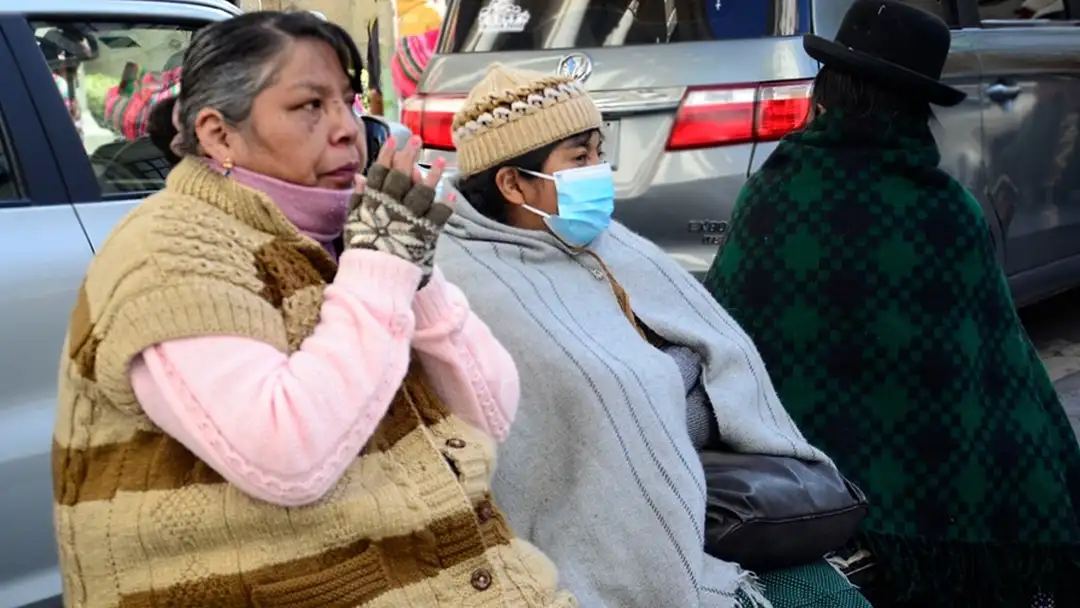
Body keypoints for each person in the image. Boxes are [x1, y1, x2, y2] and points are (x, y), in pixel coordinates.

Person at [52, 11, 575, 607]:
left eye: (348, 103)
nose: (347, 129)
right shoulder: (169, 251)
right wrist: (382, 263)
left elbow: (488, 414)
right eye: (309, 106)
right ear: (219, 134)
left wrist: (415, 271)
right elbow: (288, 458)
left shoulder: (343, 228)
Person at [434, 62, 870, 607]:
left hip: (712, 503)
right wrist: (679, 378)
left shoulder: (608, 242)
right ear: (512, 182)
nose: (599, 168)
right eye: (578, 157)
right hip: (617, 551)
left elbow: (714, 353)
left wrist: (663, 386)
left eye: (599, 150)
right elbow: (596, 419)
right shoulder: (472, 284)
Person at [703, 1, 1080, 606]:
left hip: (795, 497)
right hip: (936, 512)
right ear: (916, 109)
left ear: (826, 90)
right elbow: (1002, 375)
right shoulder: (946, 210)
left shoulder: (772, 191)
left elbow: (725, 340)